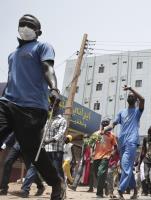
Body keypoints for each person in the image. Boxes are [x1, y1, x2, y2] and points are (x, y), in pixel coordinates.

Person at [0, 14, 64, 200]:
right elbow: (13, 81)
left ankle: (55, 182)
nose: (25, 27)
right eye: (22, 24)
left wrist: (54, 88)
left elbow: (47, 68)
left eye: (29, 25)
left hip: (32, 108)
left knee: (32, 151)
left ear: (38, 31)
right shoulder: (12, 55)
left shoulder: (43, 47)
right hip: (7, 103)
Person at [103, 85, 145, 200]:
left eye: (133, 96)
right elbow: (114, 123)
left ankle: (120, 191)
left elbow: (143, 100)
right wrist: (108, 127)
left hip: (132, 141)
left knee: (126, 166)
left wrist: (131, 89)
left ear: (135, 99)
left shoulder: (137, 111)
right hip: (121, 142)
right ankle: (135, 190)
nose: (130, 96)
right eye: (129, 96)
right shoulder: (121, 112)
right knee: (126, 166)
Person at [92, 118, 117, 198]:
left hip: (106, 156)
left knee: (101, 173)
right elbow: (91, 143)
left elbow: (116, 146)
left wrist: (113, 153)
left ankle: (99, 193)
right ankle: (105, 184)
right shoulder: (96, 134)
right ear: (101, 125)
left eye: (107, 124)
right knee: (97, 174)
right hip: (96, 156)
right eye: (104, 124)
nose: (105, 125)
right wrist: (92, 150)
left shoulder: (112, 135)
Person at [44, 100, 67, 182]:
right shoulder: (47, 120)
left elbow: (60, 134)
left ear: (57, 108)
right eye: (50, 107)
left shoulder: (62, 120)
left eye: (53, 107)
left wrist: (48, 141)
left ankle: (62, 187)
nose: (51, 108)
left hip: (57, 150)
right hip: (47, 149)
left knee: (57, 170)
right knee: (47, 170)